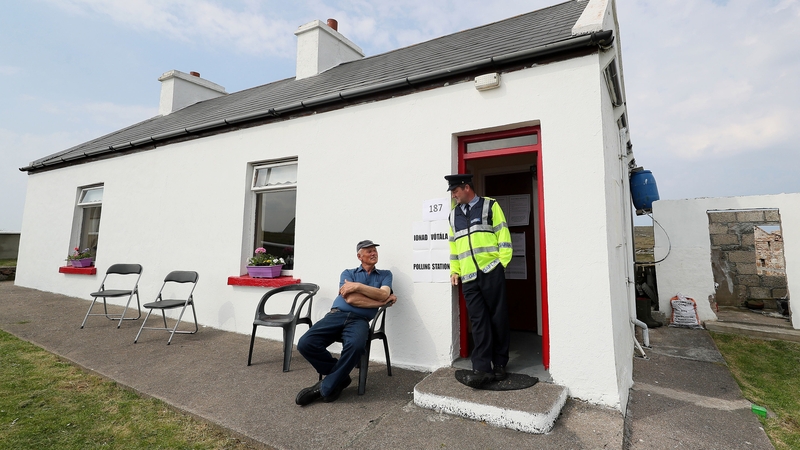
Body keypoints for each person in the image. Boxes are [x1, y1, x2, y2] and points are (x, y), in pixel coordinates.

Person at [295, 240, 397, 405]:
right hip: (336, 315)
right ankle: (341, 378)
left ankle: (325, 387)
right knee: (305, 343)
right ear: (359, 256)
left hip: (360, 320)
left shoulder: (385, 275)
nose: (374, 253)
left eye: (375, 251)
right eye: (369, 251)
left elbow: (383, 294)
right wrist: (378, 300)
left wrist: (357, 287)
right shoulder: (348, 273)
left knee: (356, 346)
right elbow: (351, 298)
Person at [445, 174, 512, 388]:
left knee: (497, 318)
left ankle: (500, 363)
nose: (453, 196)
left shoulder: (490, 206)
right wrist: (455, 270)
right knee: (478, 321)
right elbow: (453, 246)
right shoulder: (453, 215)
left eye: (455, 191)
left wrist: (502, 263)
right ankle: (482, 367)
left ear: (466, 188)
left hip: (491, 270)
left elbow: (503, 233)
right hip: (468, 276)